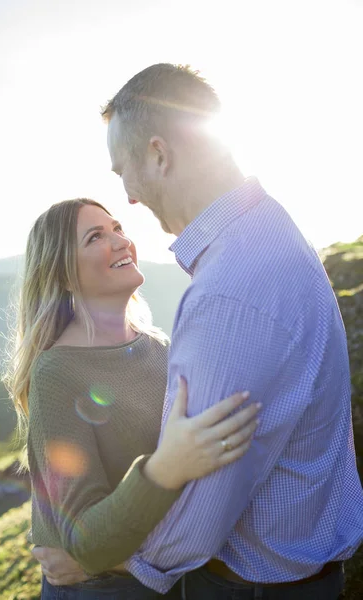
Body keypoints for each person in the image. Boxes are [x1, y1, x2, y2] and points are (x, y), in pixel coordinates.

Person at [34, 64, 363, 599]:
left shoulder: (225, 295)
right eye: (97, 234)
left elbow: (205, 501)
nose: (131, 198)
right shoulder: (269, 232)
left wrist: (103, 563)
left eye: (125, 173)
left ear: (160, 155)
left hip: (249, 587)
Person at [3, 197, 261, 600]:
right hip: (102, 592)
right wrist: (163, 470)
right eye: (96, 237)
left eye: (118, 228)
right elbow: (83, 540)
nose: (121, 241)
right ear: (64, 275)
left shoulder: (159, 347)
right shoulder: (57, 372)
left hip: (166, 576)